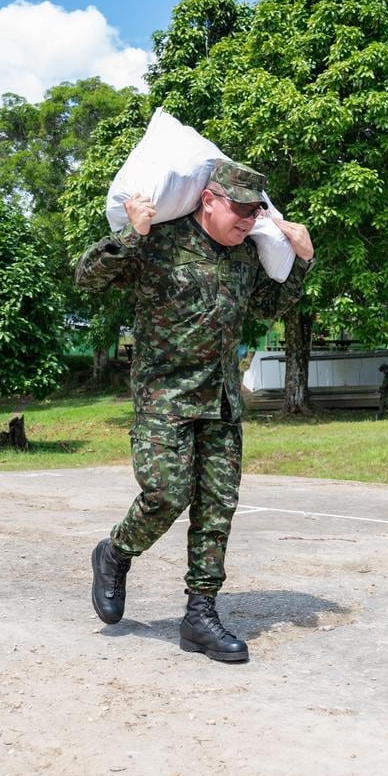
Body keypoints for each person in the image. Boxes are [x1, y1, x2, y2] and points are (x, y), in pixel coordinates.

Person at [75, 160, 314, 663]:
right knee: (166, 492)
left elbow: (267, 307)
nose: (249, 220)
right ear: (209, 199)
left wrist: (303, 263)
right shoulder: (161, 240)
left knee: (217, 509)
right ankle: (115, 552)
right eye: (241, 208)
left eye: (256, 211)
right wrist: (133, 235)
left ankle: (200, 615)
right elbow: (87, 278)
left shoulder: (246, 256)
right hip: (165, 395)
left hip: (221, 399)